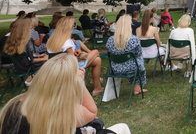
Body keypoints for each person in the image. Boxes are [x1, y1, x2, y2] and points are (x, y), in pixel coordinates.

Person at [0, 53, 130, 134]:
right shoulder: (63, 111)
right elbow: (92, 113)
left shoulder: (13, 106)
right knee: (122, 127)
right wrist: (79, 82)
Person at [46, 16, 104, 96]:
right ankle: (97, 88)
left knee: (97, 60)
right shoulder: (67, 42)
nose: (74, 27)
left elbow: (62, 55)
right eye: (73, 25)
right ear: (69, 27)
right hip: (70, 68)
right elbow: (72, 61)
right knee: (96, 52)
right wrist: (81, 56)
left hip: (56, 67)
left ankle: (98, 88)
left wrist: (77, 53)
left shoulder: (51, 40)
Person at [106, 15, 147, 96]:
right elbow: (139, 53)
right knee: (138, 61)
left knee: (136, 61)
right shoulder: (134, 39)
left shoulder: (110, 40)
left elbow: (109, 52)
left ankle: (137, 88)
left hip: (115, 69)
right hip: (131, 69)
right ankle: (137, 88)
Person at [3, 18, 48, 86]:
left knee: (45, 58)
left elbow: (25, 55)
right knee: (48, 62)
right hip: (27, 67)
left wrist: (38, 55)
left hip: (18, 66)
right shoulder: (25, 40)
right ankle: (31, 80)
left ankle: (33, 79)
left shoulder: (13, 39)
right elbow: (31, 60)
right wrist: (44, 58)